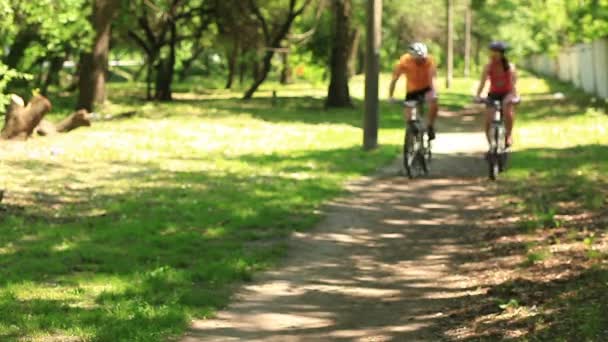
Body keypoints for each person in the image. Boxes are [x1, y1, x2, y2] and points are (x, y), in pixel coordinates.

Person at [388, 42, 438, 140]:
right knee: (409, 115)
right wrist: (391, 95)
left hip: (427, 88)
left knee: (434, 103)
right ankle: (412, 134)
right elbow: (394, 79)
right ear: (412, 57)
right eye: (418, 60)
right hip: (413, 90)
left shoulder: (429, 61)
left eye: (423, 59)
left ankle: (430, 126)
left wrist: (434, 94)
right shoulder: (404, 61)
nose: (421, 61)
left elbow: (433, 78)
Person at [475, 41, 520, 147]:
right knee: (488, 119)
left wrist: (515, 96)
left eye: (496, 52)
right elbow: (482, 82)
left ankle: (508, 135)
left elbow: (514, 84)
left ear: (502, 54)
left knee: (507, 109)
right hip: (493, 94)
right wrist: (478, 95)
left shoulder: (510, 67)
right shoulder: (488, 67)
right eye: (492, 52)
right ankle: (491, 147)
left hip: (507, 93)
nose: (493, 55)